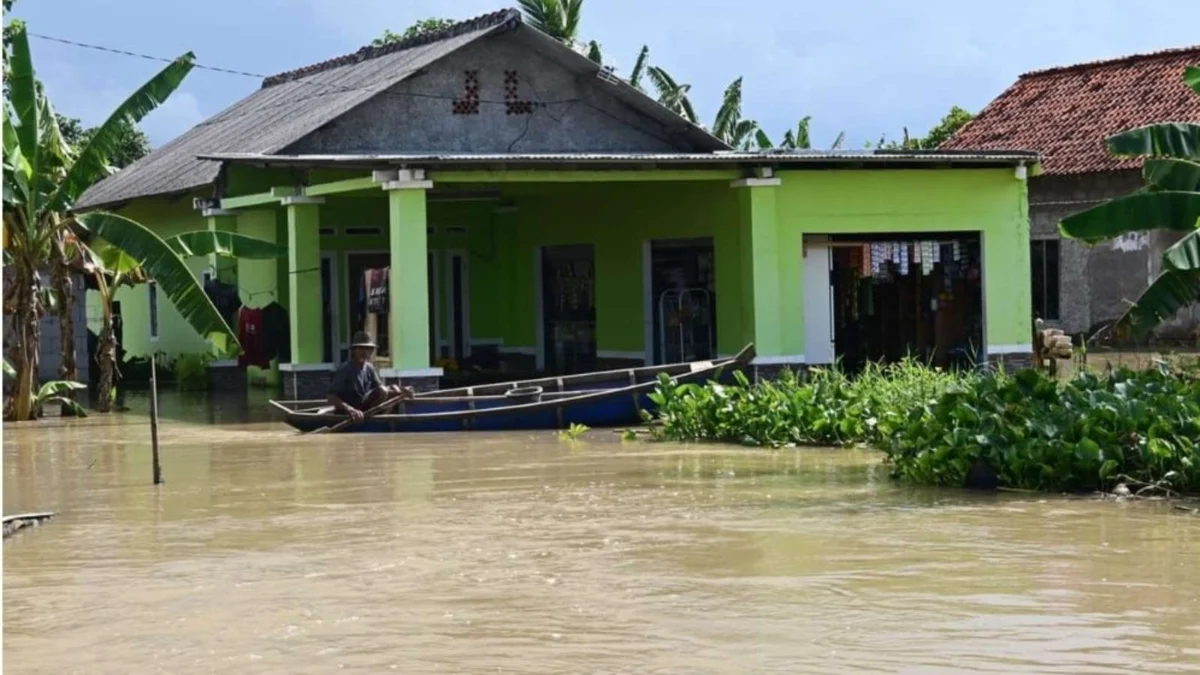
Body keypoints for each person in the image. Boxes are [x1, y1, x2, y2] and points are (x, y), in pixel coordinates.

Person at [327, 331, 414, 421]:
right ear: (354, 350)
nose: (364, 352)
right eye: (361, 348)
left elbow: (380, 390)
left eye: (368, 349)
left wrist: (403, 391)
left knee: (394, 389)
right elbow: (331, 397)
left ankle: (374, 415)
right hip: (349, 413)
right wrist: (351, 410)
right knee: (384, 390)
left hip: (365, 410)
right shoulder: (345, 369)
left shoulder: (369, 368)